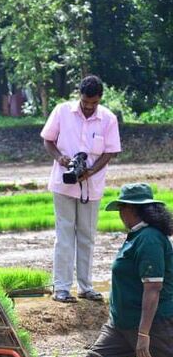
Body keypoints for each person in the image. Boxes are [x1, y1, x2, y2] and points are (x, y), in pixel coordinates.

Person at [85, 183, 173, 357]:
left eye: (122, 208)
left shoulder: (150, 239)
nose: (121, 214)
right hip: (121, 323)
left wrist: (144, 335)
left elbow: (153, 288)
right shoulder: (135, 236)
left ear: (131, 209)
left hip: (153, 324)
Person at [41, 75, 122, 303]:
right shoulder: (62, 111)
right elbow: (48, 140)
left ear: (100, 99)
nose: (88, 107)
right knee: (64, 236)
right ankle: (62, 288)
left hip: (91, 186)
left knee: (87, 237)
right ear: (80, 95)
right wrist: (61, 158)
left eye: (93, 103)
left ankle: (86, 287)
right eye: (85, 102)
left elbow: (110, 151)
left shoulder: (108, 118)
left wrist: (91, 170)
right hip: (63, 183)